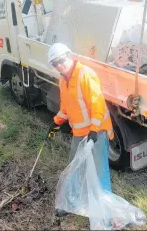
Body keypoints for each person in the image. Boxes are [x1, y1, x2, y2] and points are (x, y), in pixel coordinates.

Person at [47, 43, 114, 217]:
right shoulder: (63, 81)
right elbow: (67, 107)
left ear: (69, 56)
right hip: (79, 133)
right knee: (74, 167)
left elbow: (97, 104)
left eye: (61, 60)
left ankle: (105, 209)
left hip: (97, 132)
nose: (59, 65)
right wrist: (56, 122)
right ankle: (70, 203)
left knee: (100, 171)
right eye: (55, 64)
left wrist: (94, 130)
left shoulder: (86, 75)